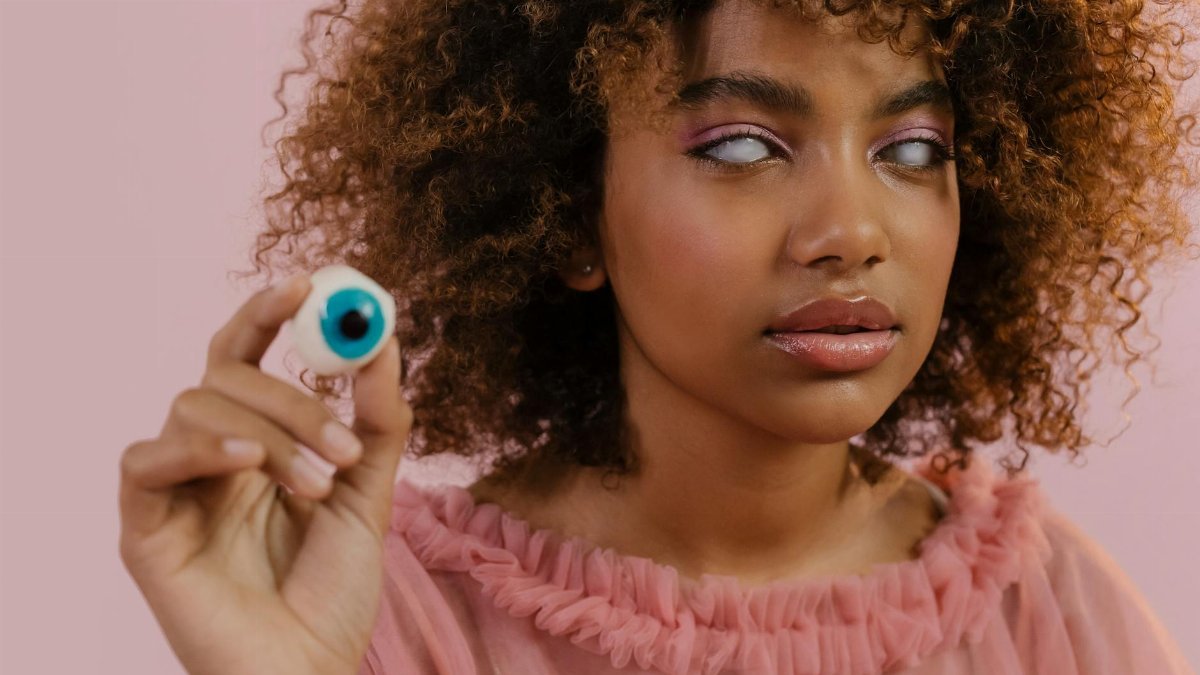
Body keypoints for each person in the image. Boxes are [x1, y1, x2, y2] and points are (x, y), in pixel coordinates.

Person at [118, 0, 1200, 673]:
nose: (851, 233)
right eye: (740, 147)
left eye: (914, 148)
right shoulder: (382, 622)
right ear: (570, 210)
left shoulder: (1041, 609)